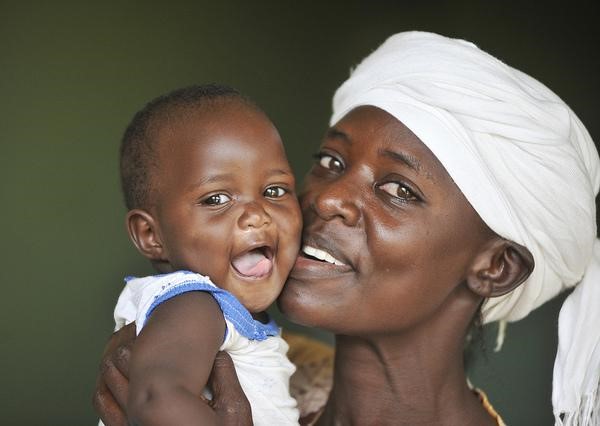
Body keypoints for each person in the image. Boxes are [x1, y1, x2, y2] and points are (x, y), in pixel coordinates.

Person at [93, 32, 600, 425]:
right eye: (331, 161)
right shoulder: (243, 367)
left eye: (399, 190)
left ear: (495, 267)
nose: (328, 197)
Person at [103, 84, 302, 425]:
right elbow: (157, 397)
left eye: (274, 190)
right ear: (152, 235)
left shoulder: (218, 315)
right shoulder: (194, 304)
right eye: (216, 199)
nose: (257, 214)